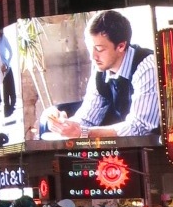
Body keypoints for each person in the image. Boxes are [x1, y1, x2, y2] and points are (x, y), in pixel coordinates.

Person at [43, 9, 160, 140]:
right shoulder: (101, 67)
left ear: (121, 46)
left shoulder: (147, 67)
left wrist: (83, 133)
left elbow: (140, 128)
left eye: (99, 49)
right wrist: (64, 124)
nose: (93, 56)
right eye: (90, 48)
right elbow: (87, 118)